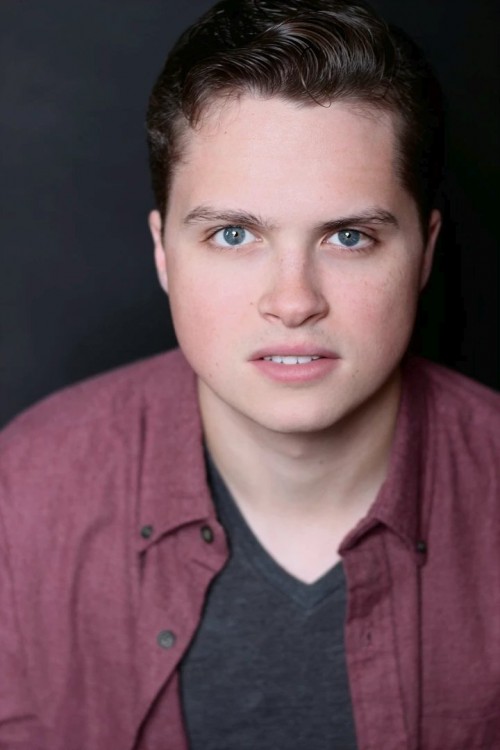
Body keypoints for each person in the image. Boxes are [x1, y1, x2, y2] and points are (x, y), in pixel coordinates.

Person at [1, 0, 499, 748]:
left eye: (349, 237)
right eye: (234, 235)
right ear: (163, 253)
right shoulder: (24, 493)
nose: (293, 302)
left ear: (424, 254)